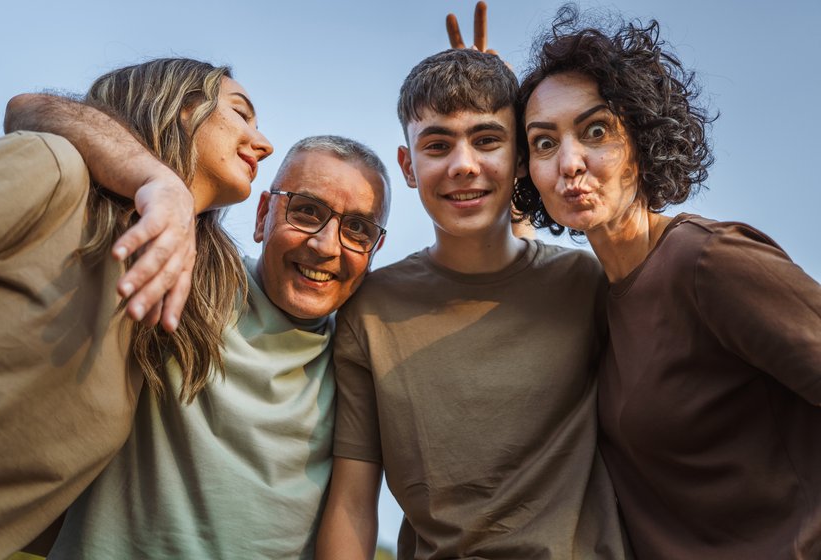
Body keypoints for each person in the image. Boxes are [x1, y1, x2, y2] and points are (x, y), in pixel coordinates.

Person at [514, 6, 821, 558]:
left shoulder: (709, 262)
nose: (570, 162)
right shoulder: (596, 300)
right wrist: (487, 127)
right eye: (543, 142)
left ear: (641, 137)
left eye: (596, 130)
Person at [317, 48, 629, 559]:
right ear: (408, 165)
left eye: (487, 141)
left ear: (521, 158)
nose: (464, 166)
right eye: (437, 145)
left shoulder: (585, 283)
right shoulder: (369, 309)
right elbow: (352, 502)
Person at [41, 135, 390, 559]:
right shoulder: (192, 279)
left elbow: (354, 509)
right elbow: (30, 109)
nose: (325, 244)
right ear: (263, 216)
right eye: (306, 211)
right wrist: (159, 181)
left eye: (357, 229)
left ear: (374, 251)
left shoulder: (359, 360)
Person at [0, 58, 272, 560]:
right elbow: (26, 107)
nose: (264, 142)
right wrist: (162, 184)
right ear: (180, 108)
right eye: (241, 113)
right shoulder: (56, 174)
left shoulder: (177, 309)